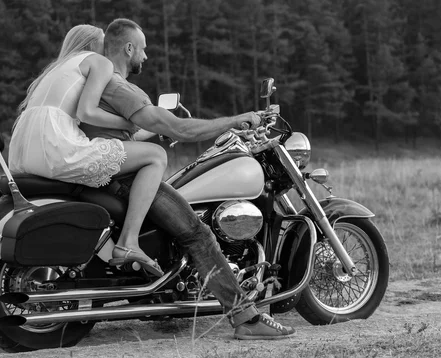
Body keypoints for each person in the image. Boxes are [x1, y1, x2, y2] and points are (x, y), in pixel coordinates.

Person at [80, 18, 296, 340]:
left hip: (106, 174)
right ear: (128, 48)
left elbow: (132, 129)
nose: (146, 57)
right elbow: (180, 128)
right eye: (143, 50)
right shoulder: (119, 86)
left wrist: (158, 130)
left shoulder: (101, 88)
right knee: (198, 234)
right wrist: (234, 120)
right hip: (126, 178)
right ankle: (245, 318)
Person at [8, 24, 165, 277]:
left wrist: (148, 131)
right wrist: (131, 122)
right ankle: (129, 242)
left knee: (141, 151)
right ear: (95, 45)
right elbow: (87, 112)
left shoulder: (57, 68)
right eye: (105, 44)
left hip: (27, 149)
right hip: (57, 146)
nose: (108, 50)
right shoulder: (98, 62)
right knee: (156, 156)